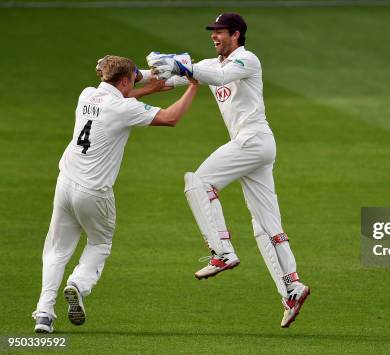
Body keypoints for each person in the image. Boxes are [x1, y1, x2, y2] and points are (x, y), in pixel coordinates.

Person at [147, 12, 310, 328]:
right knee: (265, 225)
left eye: (220, 32)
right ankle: (292, 287)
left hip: (253, 139)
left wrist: (183, 65)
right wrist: (126, 75)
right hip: (253, 147)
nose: (214, 36)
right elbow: (170, 79)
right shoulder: (211, 64)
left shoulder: (247, 60)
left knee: (199, 182)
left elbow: (218, 78)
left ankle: (222, 251)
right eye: (213, 32)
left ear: (236, 34)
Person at [32, 55, 199, 333]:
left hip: (65, 183)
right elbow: (170, 118)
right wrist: (193, 83)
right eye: (133, 78)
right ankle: (78, 284)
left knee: (57, 251)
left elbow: (123, 94)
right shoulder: (123, 109)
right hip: (94, 193)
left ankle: (44, 314)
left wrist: (149, 87)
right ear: (124, 80)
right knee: (99, 244)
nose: (137, 79)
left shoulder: (87, 94)